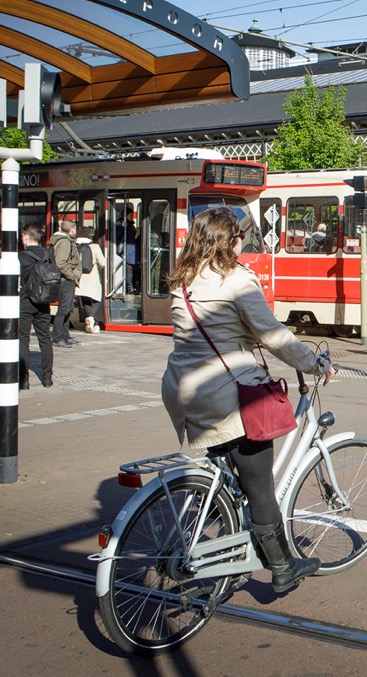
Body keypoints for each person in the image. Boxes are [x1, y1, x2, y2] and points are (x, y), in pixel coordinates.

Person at [162, 207, 334, 594]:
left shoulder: (182, 278)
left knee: (232, 473)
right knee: (259, 487)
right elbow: (272, 334)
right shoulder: (236, 280)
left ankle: (235, 543)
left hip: (183, 391)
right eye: (240, 236)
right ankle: (283, 566)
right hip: (228, 393)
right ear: (231, 240)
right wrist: (313, 362)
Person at [18, 225, 54, 389]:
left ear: (25, 237)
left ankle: (23, 380)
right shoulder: (48, 254)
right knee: (45, 339)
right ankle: (47, 378)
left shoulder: (20, 257)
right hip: (44, 302)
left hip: (26, 302)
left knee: (23, 341)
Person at [50, 220, 82, 348]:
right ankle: (58, 337)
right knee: (64, 309)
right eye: (75, 228)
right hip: (66, 280)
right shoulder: (64, 241)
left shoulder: (66, 240)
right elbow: (61, 263)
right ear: (72, 229)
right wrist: (71, 276)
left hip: (68, 279)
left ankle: (65, 335)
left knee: (68, 308)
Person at [76, 226, 103, 333]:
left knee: (86, 300)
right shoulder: (94, 246)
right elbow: (102, 263)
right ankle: (92, 318)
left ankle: (94, 324)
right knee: (96, 299)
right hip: (92, 277)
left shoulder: (74, 246)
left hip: (79, 277)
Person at [116, 210, 140, 293]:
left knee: (134, 269)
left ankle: (133, 285)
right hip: (127, 250)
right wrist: (122, 227)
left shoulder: (131, 225)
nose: (132, 217)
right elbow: (117, 236)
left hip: (132, 251)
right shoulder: (120, 224)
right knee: (129, 269)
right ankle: (129, 287)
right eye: (130, 215)